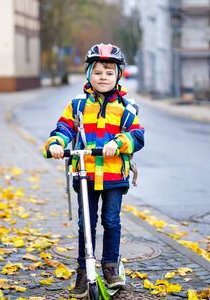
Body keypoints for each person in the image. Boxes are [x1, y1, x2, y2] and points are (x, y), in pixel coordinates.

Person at [45, 43, 145, 297]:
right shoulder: (78, 105)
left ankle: (111, 265)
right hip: (86, 174)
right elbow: (64, 127)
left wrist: (118, 142)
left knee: (111, 221)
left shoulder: (126, 107)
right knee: (85, 225)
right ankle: (83, 269)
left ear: (118, 76)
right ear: (89, 74)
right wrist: (57, 144)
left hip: (114, 176)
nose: (103, 77)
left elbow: (137, 135)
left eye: (109, 73)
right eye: (98, 72)